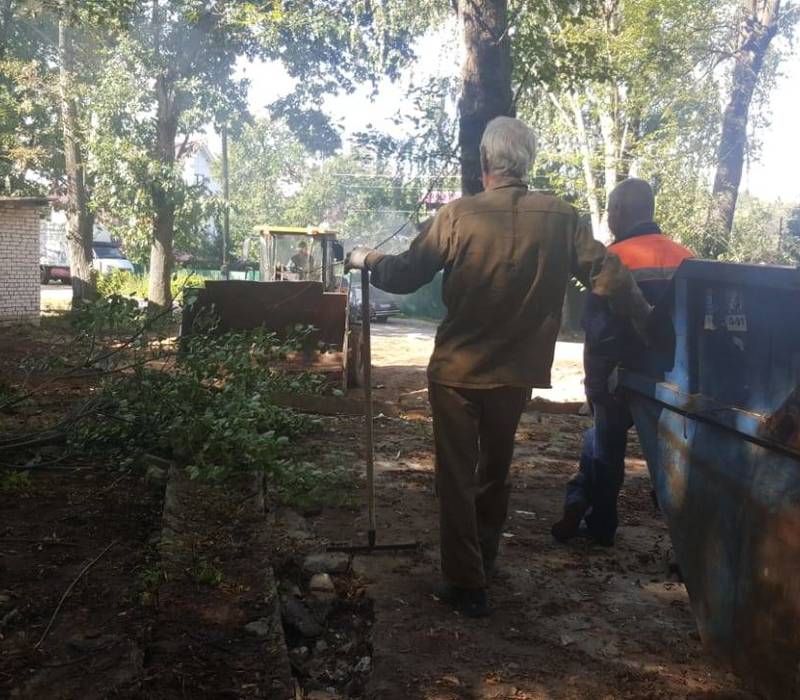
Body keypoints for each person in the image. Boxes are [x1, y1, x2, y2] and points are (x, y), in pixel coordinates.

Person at [346, 117, 651, 618]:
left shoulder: (457, 215)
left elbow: (404, 274)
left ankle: (467, 583)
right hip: (516, 372)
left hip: (457, 373)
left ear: (486, 162)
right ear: (527, 160)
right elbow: (608, 275)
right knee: (496, 471)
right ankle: (484, 559)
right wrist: (648, 323)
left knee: (455, 477)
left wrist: (368, 258)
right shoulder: (563, 217)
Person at [551, 178, 693, 547]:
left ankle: (600, 522)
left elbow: (599, 329)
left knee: (605, 445)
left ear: (617, 212)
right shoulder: (687, 258)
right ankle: (684, 538)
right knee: (669, 455)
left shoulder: (614, 261)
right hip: (672, 379)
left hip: (619, 374)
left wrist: (595, 381)